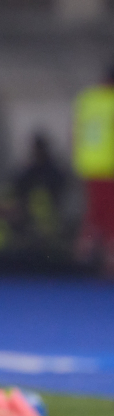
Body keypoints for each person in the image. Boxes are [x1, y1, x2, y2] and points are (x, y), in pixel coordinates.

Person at [73, 64, 114, 276]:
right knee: (110, 219)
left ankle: (81, 259)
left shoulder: (87, 99)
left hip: (88, 166)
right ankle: (109, 265)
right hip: (108, 167)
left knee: (93, 215)